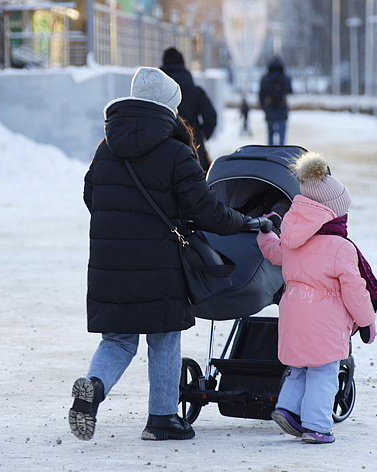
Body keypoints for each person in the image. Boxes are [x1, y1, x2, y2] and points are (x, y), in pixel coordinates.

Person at [70, 67, 268, 442]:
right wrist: (245, 222)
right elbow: (207, 211)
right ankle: (161, 419)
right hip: (159, 265)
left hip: (109, 264)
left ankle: (93, 388)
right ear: (167, 108)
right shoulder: (176, 152)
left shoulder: (106, 148)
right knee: (164, 337)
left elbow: (91, 197)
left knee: (118, 340)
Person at [256, 152, 377, 444]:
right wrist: (367, 322)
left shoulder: (292, 241)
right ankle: (316, 426)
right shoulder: (341, 248)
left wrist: (265, 234)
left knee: (300, 368)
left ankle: (288, 409)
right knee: (324, 372)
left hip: (293, 316)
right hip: (325, 324)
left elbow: (273, 252)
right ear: (332, 213)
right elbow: (355, 292)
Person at [160, 47, 218, 173]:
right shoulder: (195, 91)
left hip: (163, 149)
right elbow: (211, 117)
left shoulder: (157, 91)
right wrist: (200, 134)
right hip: (193, 147)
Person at [259, 55, 293, 146]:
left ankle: (271, 152)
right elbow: (290, 91)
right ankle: (281, 151)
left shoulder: (266, 78)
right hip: (282, 108)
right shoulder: (285, 78)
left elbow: (261, 95)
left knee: (270, 135)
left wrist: (264, 108)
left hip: (270, 109)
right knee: (282, 137)